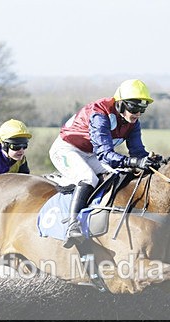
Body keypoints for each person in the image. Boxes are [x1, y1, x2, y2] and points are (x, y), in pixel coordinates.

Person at [49, 79, 161, 247]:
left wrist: (150, 161)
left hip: (90, 153)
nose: (138, 113)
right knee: (88, 178)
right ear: (121, 104)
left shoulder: (132, 123)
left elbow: (137, 153)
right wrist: (135, 162)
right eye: (134, 108)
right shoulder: (100, 114)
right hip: (66, 149)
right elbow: (105, 154)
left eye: (142, 109)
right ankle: (72, 225)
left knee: (117, 175)